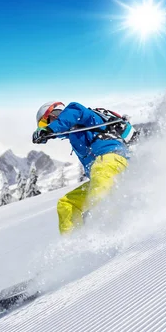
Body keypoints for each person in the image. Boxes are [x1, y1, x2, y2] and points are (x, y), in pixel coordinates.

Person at [32, 101, 130, 235]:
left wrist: (49, 130)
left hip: (112, 160)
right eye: (44, 125)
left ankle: (109, 232)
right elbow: (62, 130)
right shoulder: (75, 132)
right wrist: (47, 135)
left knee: (100, 191)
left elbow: (74, 112)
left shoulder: (84, 116)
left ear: (54, 114)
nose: (47, 125)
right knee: (67, 204)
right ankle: (73, 243)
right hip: (101, 173)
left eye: (45, 122)